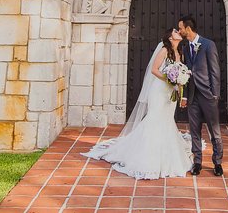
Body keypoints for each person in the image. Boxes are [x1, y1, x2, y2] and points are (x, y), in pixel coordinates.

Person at [81, 27, 193, 179]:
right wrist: (168, 78)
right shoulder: (164, 50)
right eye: (175, 31)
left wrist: (180, 92)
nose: (178, 32)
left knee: (166, 121)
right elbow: (154, 69)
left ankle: (166, 154)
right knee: (154, 119)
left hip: (170, 93)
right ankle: (148, 157)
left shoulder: (180, 53)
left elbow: (181, 74)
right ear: (170, 37)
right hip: (159, 91)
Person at [178, 15, 224, 176]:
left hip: (207, 95)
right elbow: (185, 72)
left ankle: (217, 162)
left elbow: (215, 71)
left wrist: (214, 95)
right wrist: (184, 96)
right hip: (192, 97)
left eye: (181, 28)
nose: (179, 31)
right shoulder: (185, 48)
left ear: (188, 29)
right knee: (194, 131)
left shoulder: (208, 45)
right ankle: (197, 162)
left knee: (214, 131)